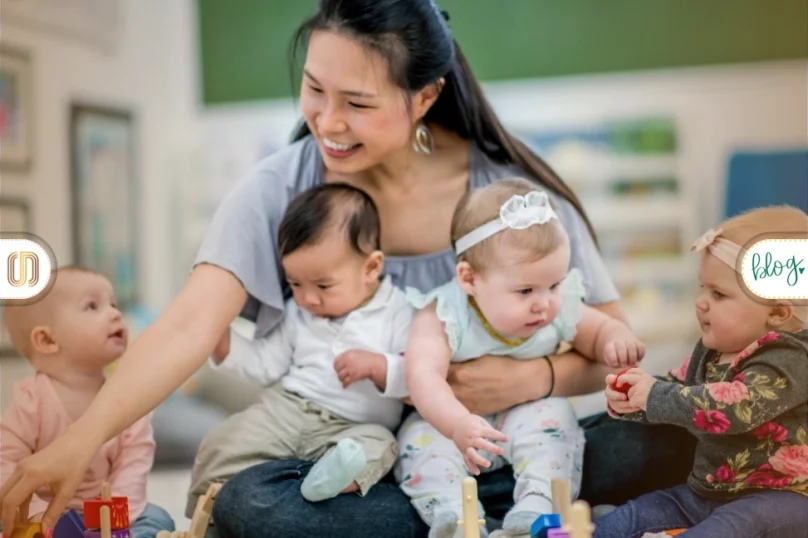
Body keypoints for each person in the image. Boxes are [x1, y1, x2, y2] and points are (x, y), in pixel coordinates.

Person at [0, 0, 698, 536]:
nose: (327, 122)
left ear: (424, 96)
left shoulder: (508, 201)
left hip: (504, 442)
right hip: (365, 457)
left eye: (357, 103)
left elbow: (610, 347)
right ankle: (478, 514)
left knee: (663, 436)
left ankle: (488, 505)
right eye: (314, 91)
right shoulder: (280, 188)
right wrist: (78, 441)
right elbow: (186, 325)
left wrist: (527, 377)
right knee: (252, 502)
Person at [397, 179, 645, 538]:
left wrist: (616, 339)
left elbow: (599, 330)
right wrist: (456, 424)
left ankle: (536, 506)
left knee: (555, 421)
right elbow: (422, 376)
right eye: (525, 290)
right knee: (421, 443)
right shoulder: (444, 313)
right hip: (453, 421)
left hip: (525, 414)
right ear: (469, 279)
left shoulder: (554, 306)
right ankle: (452, 516)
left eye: (555, 285)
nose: (543, 303)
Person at [186, 183, 413, 516]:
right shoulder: (299, 311)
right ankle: (204, 524)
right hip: (289, 409)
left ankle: (330, 479)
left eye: (323, 285)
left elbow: (422, 377)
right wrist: (224, 342)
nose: (308, 298)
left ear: (371, 268)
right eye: (295, 283)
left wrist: (380, 366)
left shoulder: (399, 311)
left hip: (354, 426)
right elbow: (267, 364)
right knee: (221, 441)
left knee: (381, 447)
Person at [597, 206, 808, 538]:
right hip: (707, 492)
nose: (701, 302)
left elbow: (736, 405)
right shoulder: (710, 352)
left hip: (782, 499)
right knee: (631, 516)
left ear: (778, 312)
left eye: (719, 294)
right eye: (702, 288)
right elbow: (677, 390)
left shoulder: (790, 357)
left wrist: (654, 395)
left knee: (727, 529)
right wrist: (633, 398)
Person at [0, 267, 175, 538]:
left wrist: (115, 519)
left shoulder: (128, 399)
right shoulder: (31, 402)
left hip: (108, 514)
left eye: (113, 304)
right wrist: (36, 515)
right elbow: (6, 466)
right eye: (92, 306)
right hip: (46, 515)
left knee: (157, 517)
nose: (115, 313)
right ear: (47, 339)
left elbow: (133, 465)